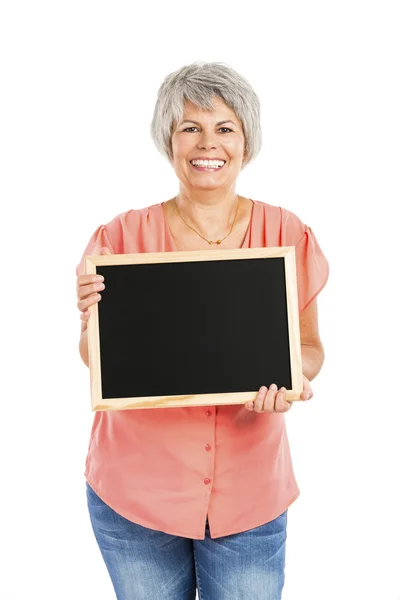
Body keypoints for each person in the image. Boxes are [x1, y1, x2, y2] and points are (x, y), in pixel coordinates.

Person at [75, 61, 329, 600]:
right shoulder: (119, 236)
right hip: (136, 493)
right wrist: (93, 317)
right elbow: (95, 360)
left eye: (223, 128)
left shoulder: (285, 233)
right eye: (189, 127)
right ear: (168, 140)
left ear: (246, 140)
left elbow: (308, 349)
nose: (206, 143)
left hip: (250, 497)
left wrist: (293, 380)